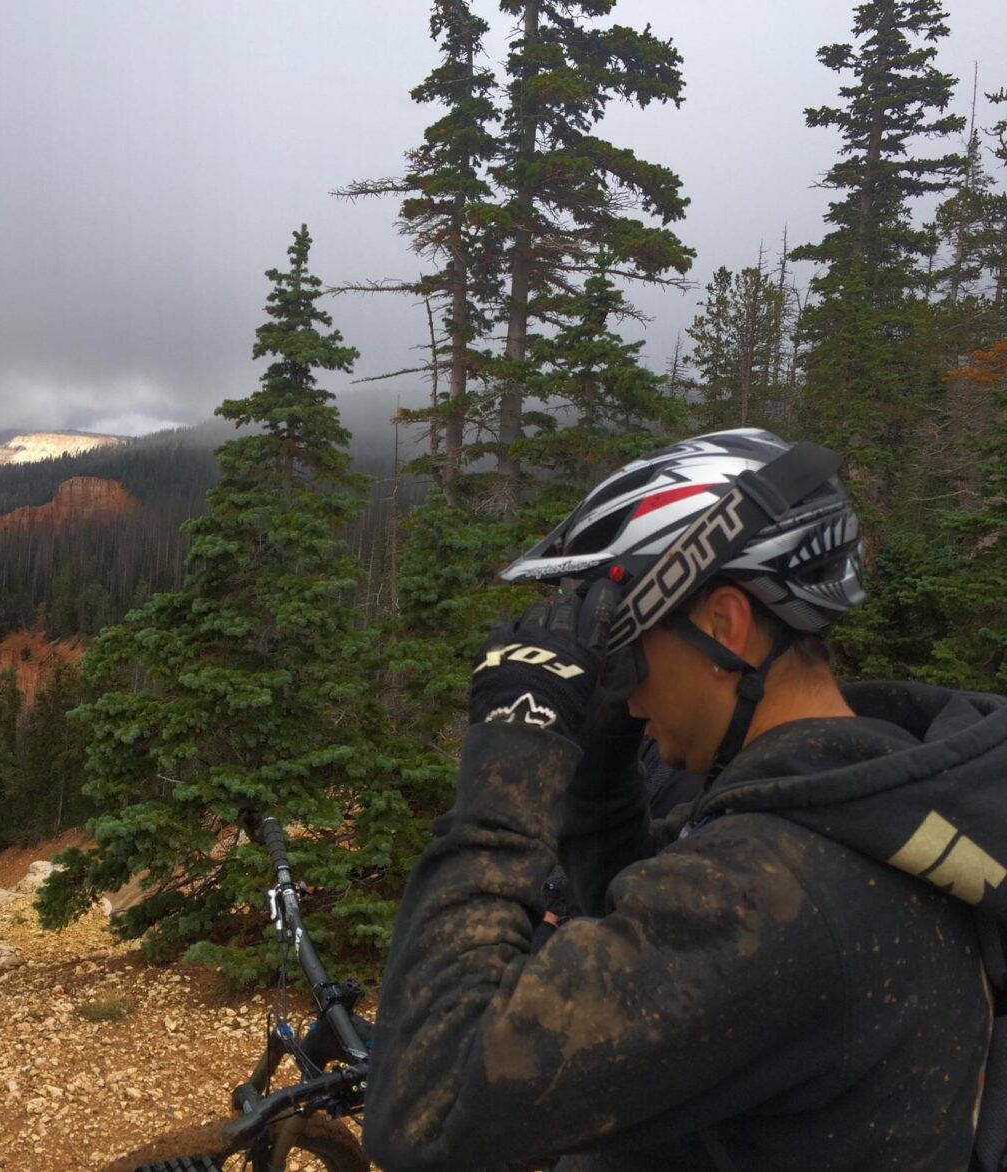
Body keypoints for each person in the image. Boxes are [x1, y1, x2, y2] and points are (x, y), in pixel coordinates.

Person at [363, 429, 1007, 1172]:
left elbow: (427, 1106)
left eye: (625, 647)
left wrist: (514, 753)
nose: (628, 688)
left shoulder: (775, 885)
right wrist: (602, 767)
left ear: (723, 623)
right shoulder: (870, 801)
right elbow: (643, 934)